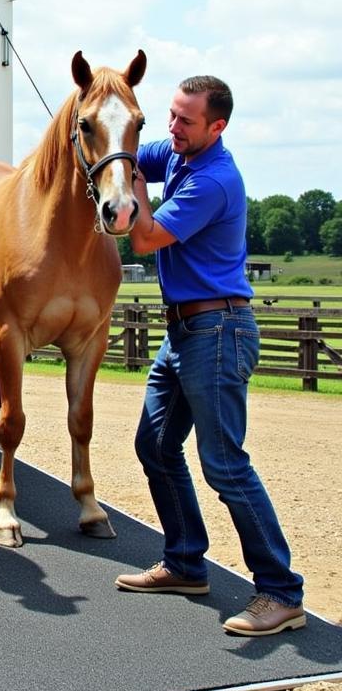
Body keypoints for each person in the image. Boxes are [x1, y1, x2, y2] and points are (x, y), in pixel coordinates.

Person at [113, 74, 305, 637]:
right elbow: (122, 150)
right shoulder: (176, 151)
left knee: (224, 464)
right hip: (184, 332)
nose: (172, 128)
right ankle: (185, 564)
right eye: (169, 116)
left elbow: (144, 239)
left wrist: (131, 190)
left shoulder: (215, 180)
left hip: (218, 330)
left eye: (185, 121)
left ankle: (281, 592)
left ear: (216, 127)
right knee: (155, 444)